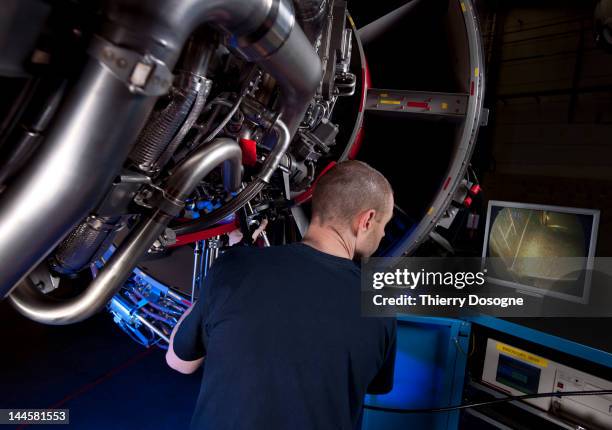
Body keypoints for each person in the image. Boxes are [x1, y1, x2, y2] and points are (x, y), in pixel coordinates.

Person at [166, 160, 397, 430]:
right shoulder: (379, 304)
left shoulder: (236, 267)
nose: (382, 234)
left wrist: (214, 286)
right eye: (384, 224)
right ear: (366, 220)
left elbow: (179, 362)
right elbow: (374, 385)